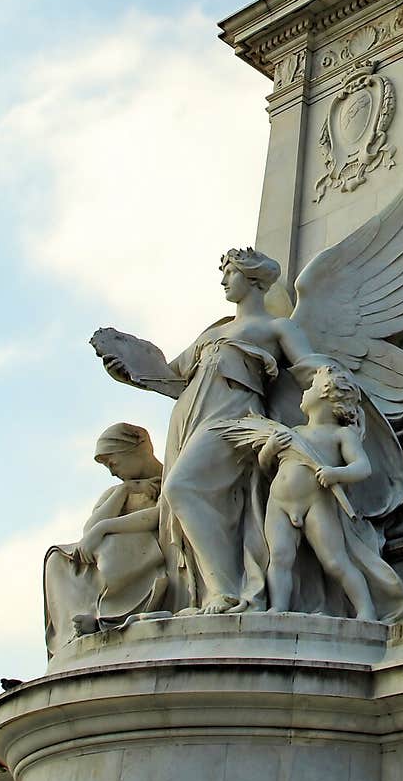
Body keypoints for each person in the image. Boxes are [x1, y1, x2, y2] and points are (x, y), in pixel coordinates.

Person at [100, 248, 326, 615]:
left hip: (235, 420)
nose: (223, 281)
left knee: (180, 488)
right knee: (196, 496)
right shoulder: (215, 331)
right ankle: (215, 589)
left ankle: (226, 591)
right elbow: (172, 377)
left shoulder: (275, 327)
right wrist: (130, 371)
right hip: (194, 421)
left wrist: (332, 383)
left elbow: (307, 367)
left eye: (230, 273)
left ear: (253, 279)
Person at [247, 364, 403, 622]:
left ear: (324, 392)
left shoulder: (341, 434)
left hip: (316, 504)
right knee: (279, 557)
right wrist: (269, 449)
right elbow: (267, 467)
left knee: (335, 562)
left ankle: (366, 610)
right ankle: (278, 607)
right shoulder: (294, 432)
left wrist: (336, 473)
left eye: (310, 386)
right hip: (278, 503)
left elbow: (362, 467)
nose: (303, 391)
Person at [43, 423, 167, 654]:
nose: (112, 472)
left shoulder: (168, 478)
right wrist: (125, 490)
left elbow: (158, 517)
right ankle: (72, 635)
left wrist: (106, 529)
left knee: (110, 549)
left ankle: (107, 619)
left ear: (137, 450)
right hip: (109, 552)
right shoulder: (118, 491)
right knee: (56, 560)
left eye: (114, 462)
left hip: (146, 549)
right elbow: (90, 529)